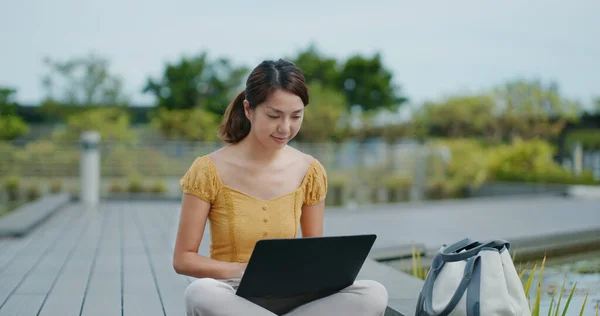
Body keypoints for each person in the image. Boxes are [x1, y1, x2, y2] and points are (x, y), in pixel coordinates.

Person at [173, 58, 388, 316]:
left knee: (373, 293)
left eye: (296, 116)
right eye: (274, 115)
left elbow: (314, 253)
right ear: (249, 109)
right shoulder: (207, 170)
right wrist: (244, 271)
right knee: (200, 293)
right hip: (232, 294)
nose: (285, 128)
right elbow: (184, 258)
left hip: (294, 295)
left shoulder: (310, 171)